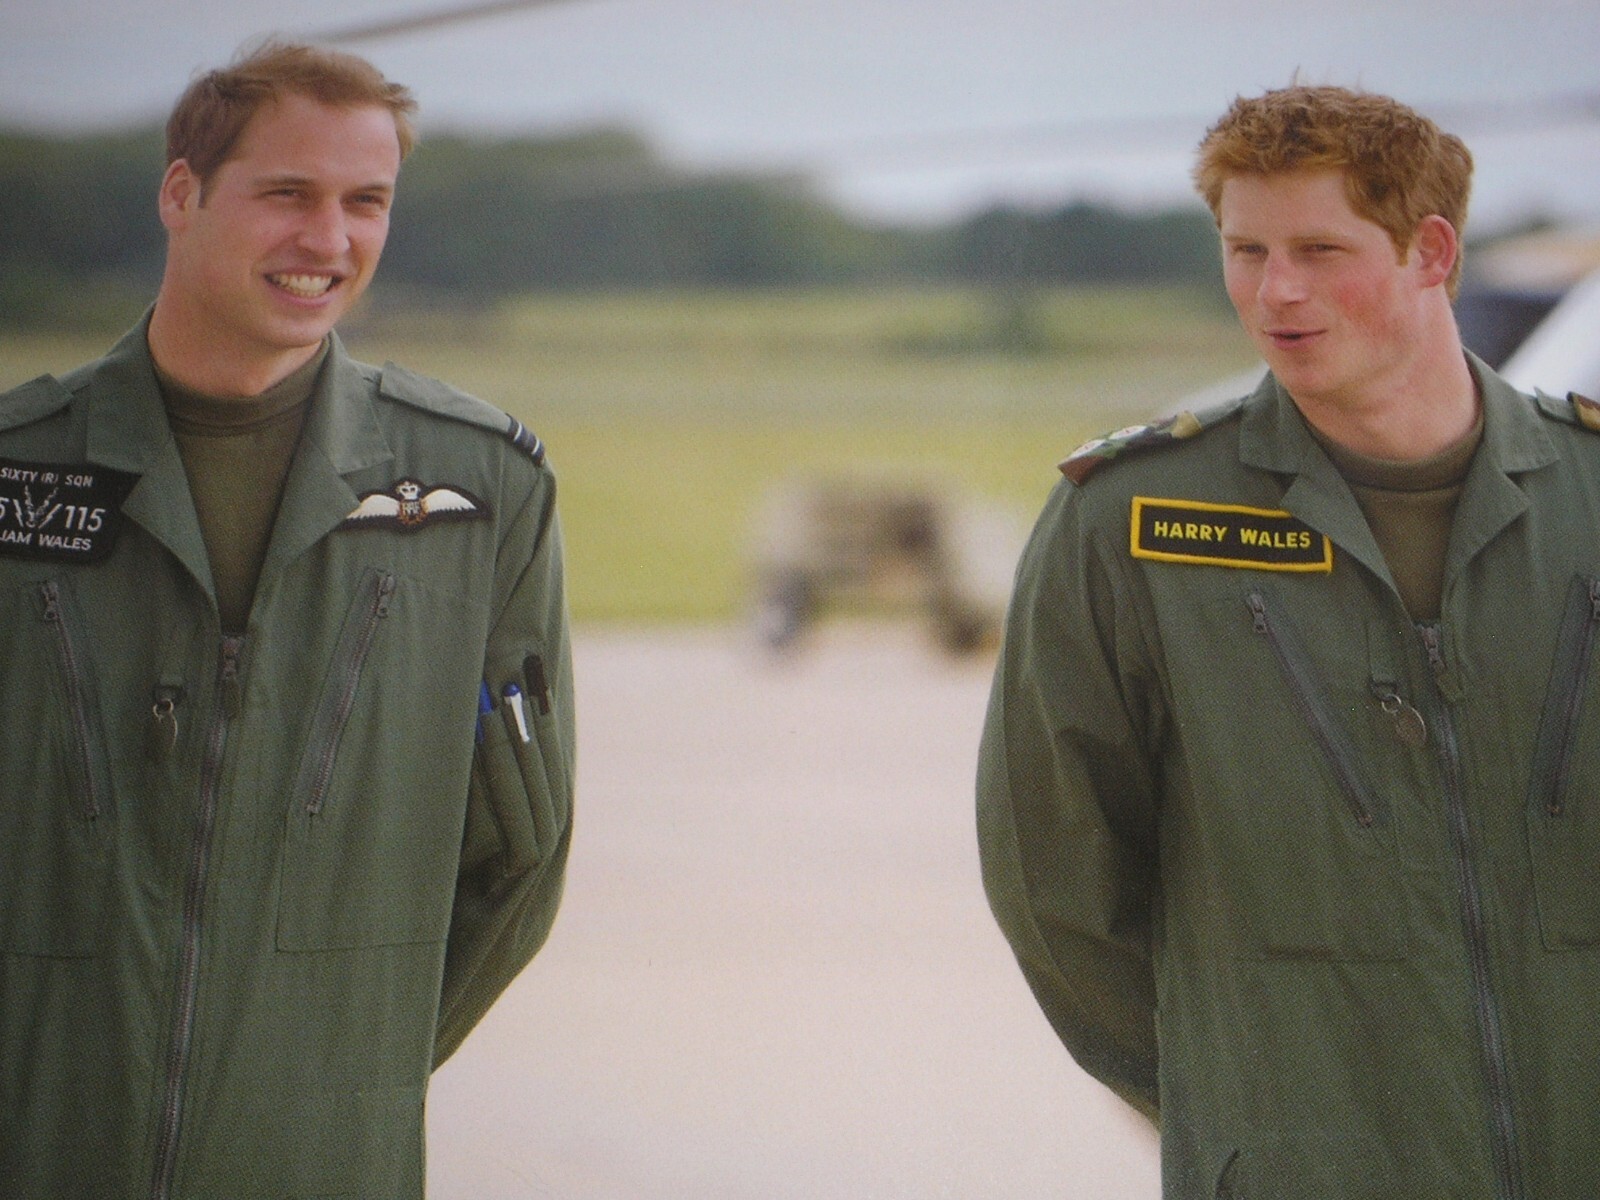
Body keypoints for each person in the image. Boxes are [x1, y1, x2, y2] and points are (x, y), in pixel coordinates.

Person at [977, 83, 1600, 1199]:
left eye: (1319, 247)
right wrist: (1246, 1105)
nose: (1276, 292)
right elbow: (1053, 881)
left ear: (1432, 251)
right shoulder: (1128, 524)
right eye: (1245, 249)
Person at [0, 41, 573, 1198]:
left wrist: (330, 1068)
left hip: (320, 1154)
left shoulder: (479, 486)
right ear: (181, 194)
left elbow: (521, 846)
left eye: (366, 203)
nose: (329, 241)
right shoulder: (18, 469)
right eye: (287, 195)